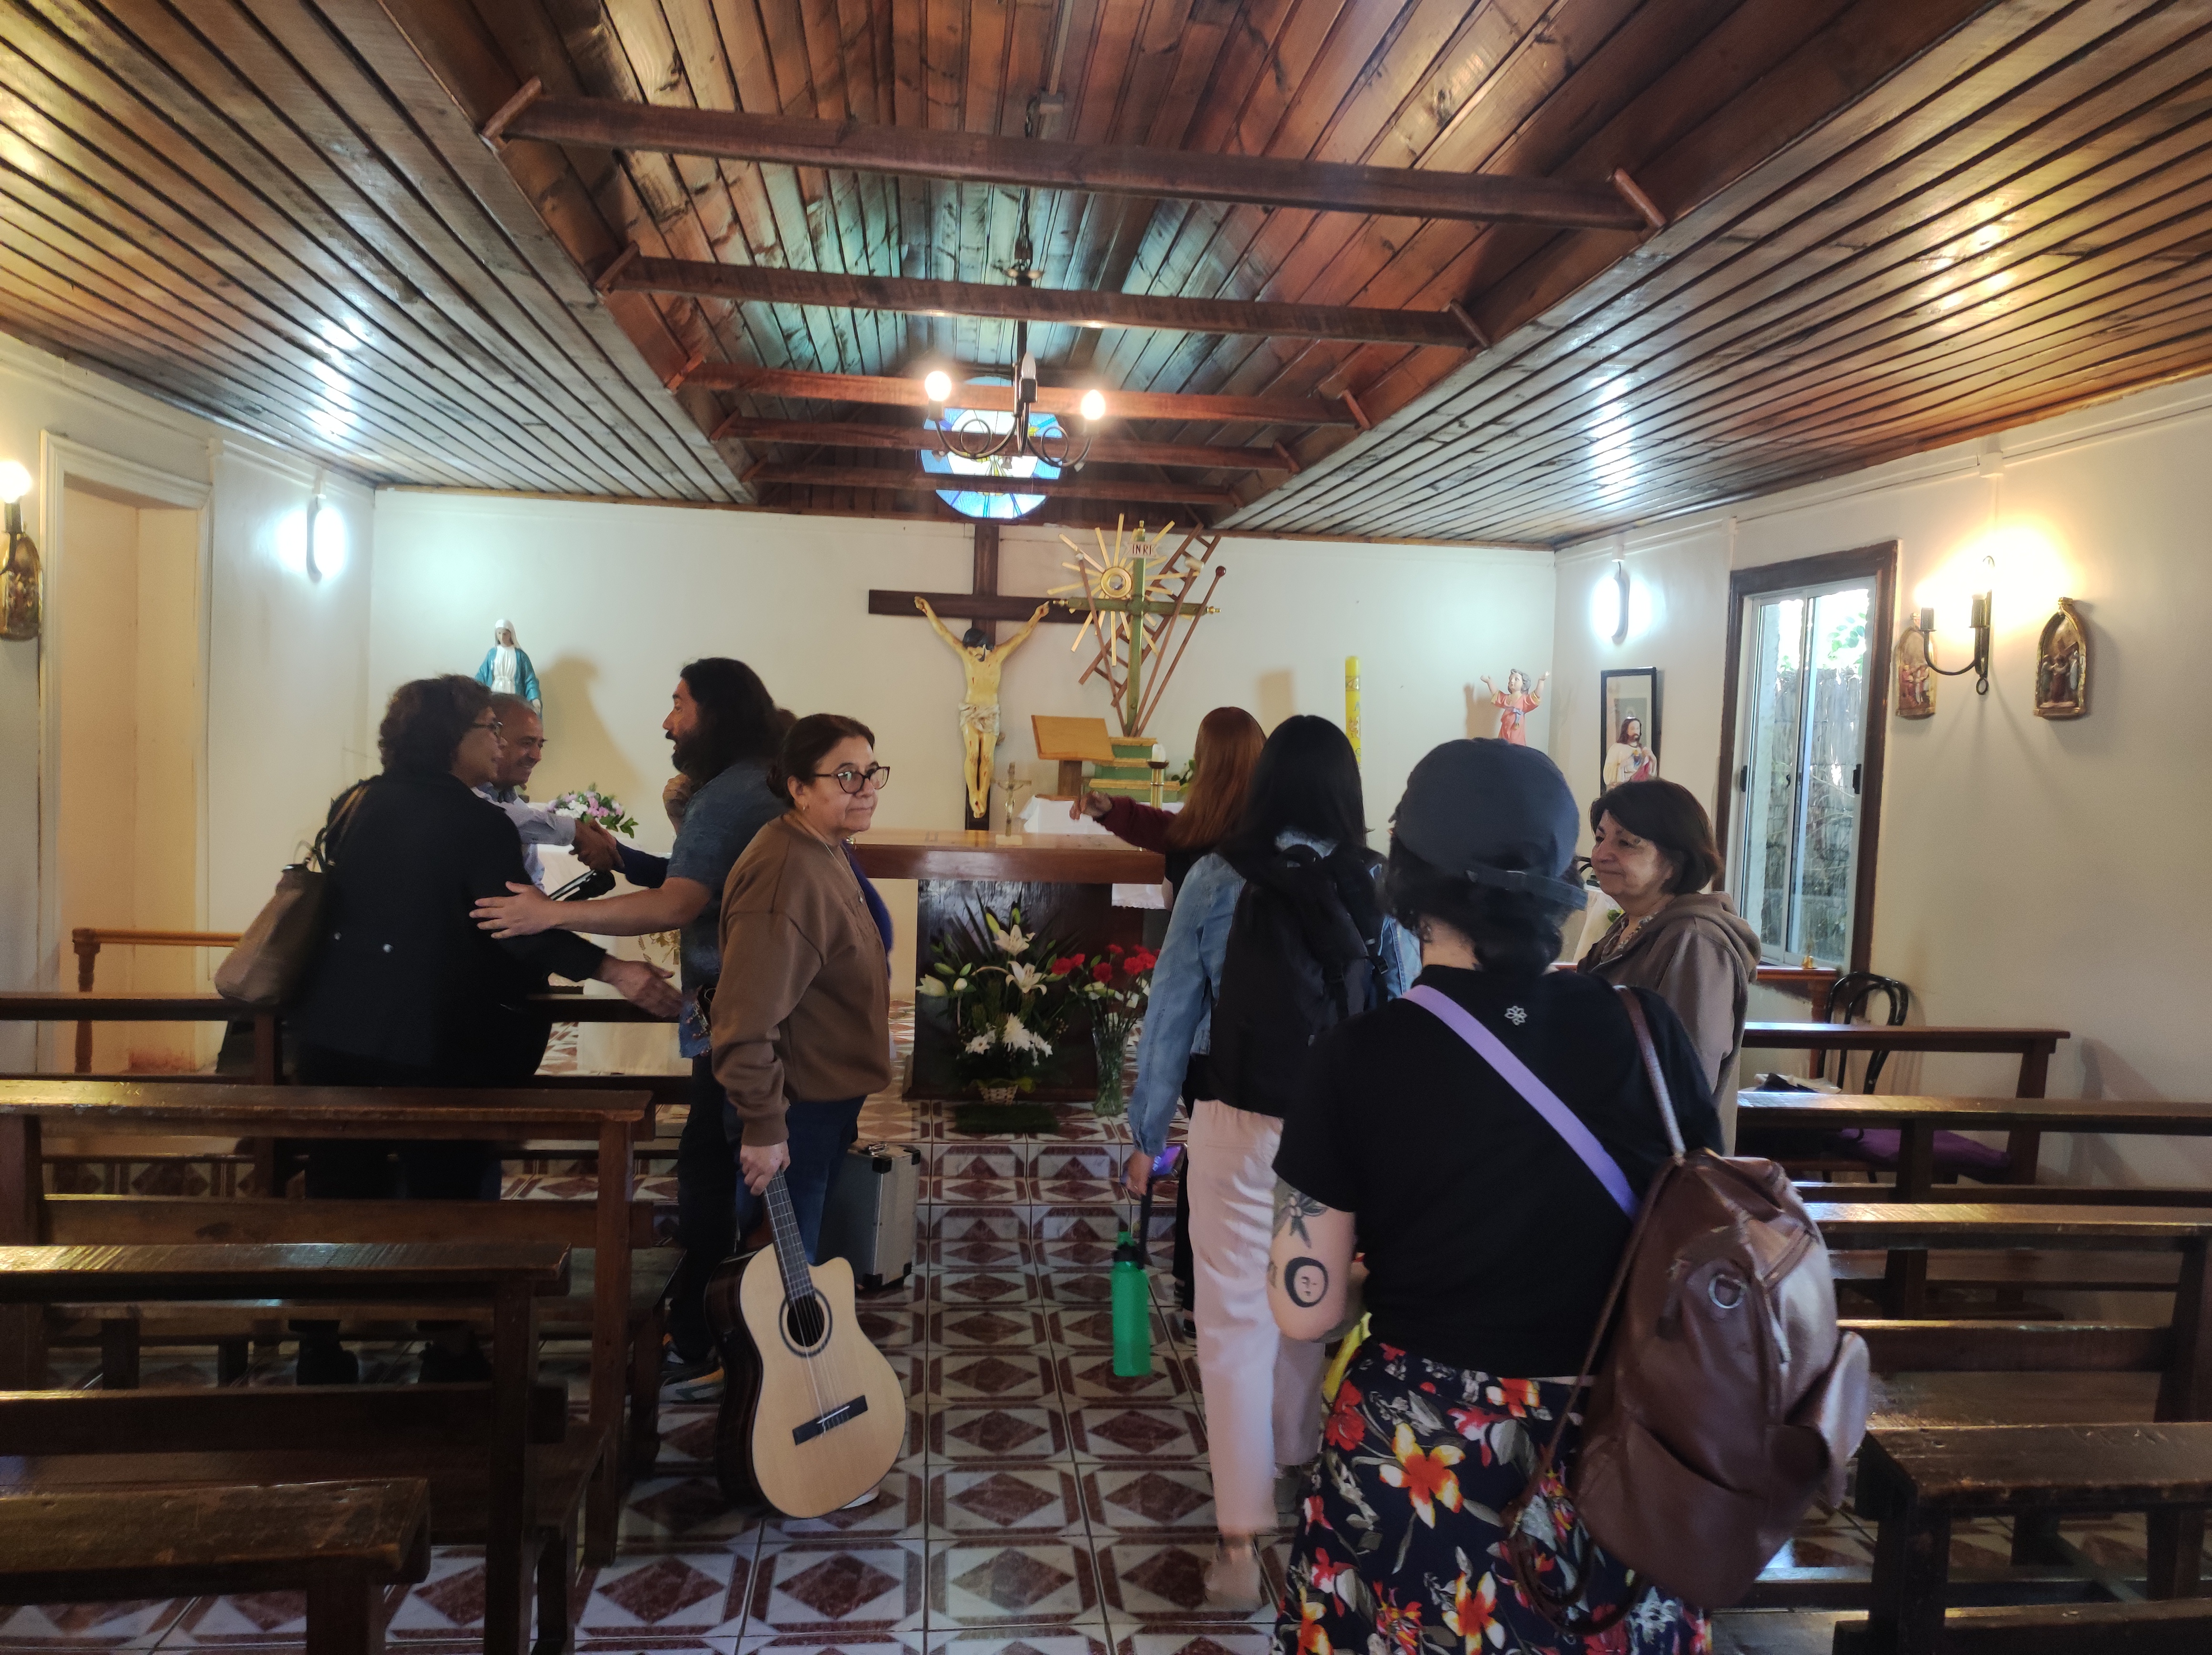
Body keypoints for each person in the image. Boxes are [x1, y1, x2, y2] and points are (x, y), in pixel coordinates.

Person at [1269, 737, 1720, 1655]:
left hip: (1422, 1455)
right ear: (1564, 880)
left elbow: (1300, 1301)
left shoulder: (1359, 1055)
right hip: (1621, 1450)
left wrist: (1365, 1273)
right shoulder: (1646, 1028)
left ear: (1410, 878)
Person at [289, 674, 679, 1383]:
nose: (499, 743)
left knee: (337, 1186)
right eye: (489, 730)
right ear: (454, 739)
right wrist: (614, 970)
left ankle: (318, 1343)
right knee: (451, 1193)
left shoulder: (356, 803)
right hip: (433, 1042)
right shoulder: (474, 822)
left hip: (335, 1033)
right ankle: (451, 1341)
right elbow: (515, 928)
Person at [1124, 714, 1416, 1608]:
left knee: (1232, 1328)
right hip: (1339, 1138)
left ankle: (1240, 1546)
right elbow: (1406, 1012)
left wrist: (1145, 1140)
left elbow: (1171, 1014)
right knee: (1307, 1310)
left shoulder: (1216, 875)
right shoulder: (1378, 885)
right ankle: (1294, 1471)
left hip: (1235, 1129)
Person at [473, 660, 788, 1369]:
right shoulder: (758, 782)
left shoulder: (725, 795)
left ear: (716, 711)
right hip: (751, 1002)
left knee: (713, 1164)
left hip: (733, 1007)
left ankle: (710, 1322)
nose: (668, 722)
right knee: (729, 1156)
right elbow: (700, 882)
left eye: (679, 705)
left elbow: (681, 903)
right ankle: (727, 1318)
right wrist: (625, 860)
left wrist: (550, 913)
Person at [1078, 705, 1265, 1327]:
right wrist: (1116, 814)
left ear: (1208, 762)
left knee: (1205, 1161)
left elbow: (1172, 833)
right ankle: (1259, 1291)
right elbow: (1165, 829)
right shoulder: (1267, 837)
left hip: (1204, 1033)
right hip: (1271, 1032)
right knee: (1246, 1166)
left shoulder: (1209, 847)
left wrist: (1145, 1135)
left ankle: (1193, 1292)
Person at [712, 714, 894, 1258]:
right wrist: (765, 1128)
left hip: (824, 1097)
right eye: (845, 776)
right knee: (778, 1273)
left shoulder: (824, 846)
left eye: (870, 772)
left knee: (804, 1262)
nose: (865, 790)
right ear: (797, 786)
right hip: (794, 1110)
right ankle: (768, 1348)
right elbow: (743, 1020)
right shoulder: (785, 873)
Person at [1579, 778, 1760, 1142]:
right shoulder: (1628, 928)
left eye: (1626, 842)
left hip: (1657, 1164)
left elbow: (1687, 1080)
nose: (1601, 854)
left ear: (1674, 863)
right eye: (1601, 838)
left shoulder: (1695, 941)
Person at [1074, 705, 1266, 893]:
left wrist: (1112, 812)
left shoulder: (1213, 827)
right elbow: (1172, 831)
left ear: (1205, 760)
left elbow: (1174, 836)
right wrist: (1111, 811)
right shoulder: (1273, 817)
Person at [916, 596, 1050, 821]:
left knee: (987, 756)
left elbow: (1020, 637)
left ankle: (982, 797)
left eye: (977, 651)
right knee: (973, 754)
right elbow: (944, 633)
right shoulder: (966, 655)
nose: (973, 655)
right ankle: (974, 798)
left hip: (991, 711)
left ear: (986, 647)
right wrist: (928, 611)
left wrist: (1037, 616)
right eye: (970, 651)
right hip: (970, 709)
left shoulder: (998, 656)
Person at [475, 694, 623, 889]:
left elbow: (532, 882)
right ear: (494, 737)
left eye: (540, 745)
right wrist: (575, 831)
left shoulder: (516, 805)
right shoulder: (460, 793)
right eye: (526, 743)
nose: (537, 757)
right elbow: (492, 818)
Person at [474, 618, 541, 711]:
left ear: (511, 634)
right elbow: (482, 674)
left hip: (514, 696)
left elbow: (530, 679)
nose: (502, 637)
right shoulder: (492, 654)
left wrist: (534, 697)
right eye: (499, 633)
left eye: (505, 634)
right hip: (495, 695)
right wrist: (472, 690)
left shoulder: (521, 656)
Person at [1481, 666, 1547, 744]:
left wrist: (1541, 681)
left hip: (1516, 727)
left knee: (1515, 744)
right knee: (1503, 744)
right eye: (1510, 680)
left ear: (1524, 684)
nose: (1512, 681)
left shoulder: (1524, 700)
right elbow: (1497, 694)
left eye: (1516, 679)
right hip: (1505, 727)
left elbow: (1536, 695)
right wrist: (1489, 682)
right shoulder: (1507, 698)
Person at [1602, 715, 1656, 786]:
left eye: (1638, 729)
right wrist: (1621, 766)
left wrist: (1653, 758)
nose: (1636, 731)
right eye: (1633, 729)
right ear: (1626, 731)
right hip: (1623, 790)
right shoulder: (1617, 748)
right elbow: (1608, 772)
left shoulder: (1641, 749)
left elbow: (1650, 774)